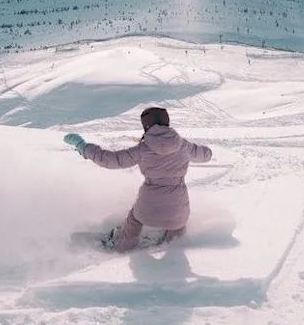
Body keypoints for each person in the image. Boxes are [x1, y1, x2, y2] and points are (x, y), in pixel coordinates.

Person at [63, 106, 213, 252]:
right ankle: (173, 246)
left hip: (146, 210)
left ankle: (121, 245)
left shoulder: (143, 149)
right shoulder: (184, 146)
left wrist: (83, 147)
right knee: (178, 224)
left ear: (146, 126)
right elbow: (206, 155)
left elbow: (110, 160)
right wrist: (203, 150)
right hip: (179, 211)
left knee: (134, 221)